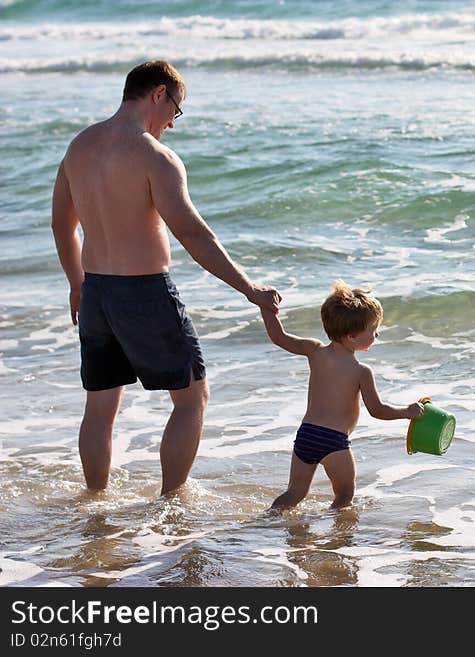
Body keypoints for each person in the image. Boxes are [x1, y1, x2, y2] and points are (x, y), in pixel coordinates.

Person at [51, 60, 281, 495]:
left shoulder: (79, 147)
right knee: (192, 398)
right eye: (176, 109)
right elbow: (193, 233)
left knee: (100, 407)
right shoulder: (155, 157)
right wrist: (250, 289)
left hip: (97, 290)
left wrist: (77, 283)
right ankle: (169, 503)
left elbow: (62, 225)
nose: (173, 124)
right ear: (159, 94)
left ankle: (95, 500)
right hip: (145, 292)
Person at [260, 281, 424, 510]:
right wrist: (407, 412)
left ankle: (267, 521)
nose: (376, 334)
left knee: (295, 492)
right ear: (351, 337)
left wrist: (265, 307)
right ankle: (335, 540)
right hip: (333, 441)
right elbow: (377, 410)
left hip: (306, 434)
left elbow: (279, 337)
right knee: (345, 496)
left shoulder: (314, 350)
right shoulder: (361, 372)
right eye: (373, 330)